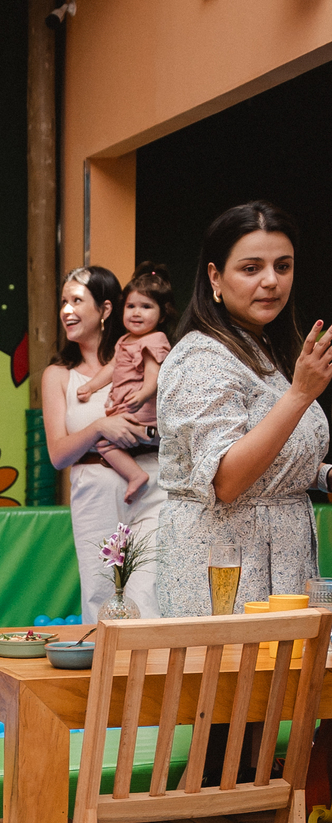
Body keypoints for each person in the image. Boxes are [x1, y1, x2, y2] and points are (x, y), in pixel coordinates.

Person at [155, 201, 332, 615]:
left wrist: (324, 475)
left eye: (283, 266)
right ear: (215, 277)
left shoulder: (265, 346)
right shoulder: (200, 358)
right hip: (224, 567)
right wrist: (300, 395)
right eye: (251, 268)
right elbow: (227, 480)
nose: (271, 281)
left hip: (284, 566)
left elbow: (273, 458)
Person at [42, 267, 164, 622]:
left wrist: (145, 434)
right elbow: (58, 455)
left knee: (149, 592)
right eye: (63, 302)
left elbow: (169, 427)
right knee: (101, 594)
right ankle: (104, 661)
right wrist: (99, 427)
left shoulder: (138, 358)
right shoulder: (59, 375)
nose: (66, 310)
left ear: (105, 309)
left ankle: (151, 660)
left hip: (151, 483)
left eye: (77, 300)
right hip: (95, 489)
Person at [78, 261, 175, 501]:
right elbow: (112, 368)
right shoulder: (124, 341)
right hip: (125, 410)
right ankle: (135, 473)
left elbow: (154, 375)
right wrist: (91, 386)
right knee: (106, 442)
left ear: (162, 315)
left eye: (146, 307)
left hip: (142, 412)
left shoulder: (154, 340)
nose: (136, 312)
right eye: (131, 306)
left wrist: (143, 394)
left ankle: (136, 475)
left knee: (105, 443)